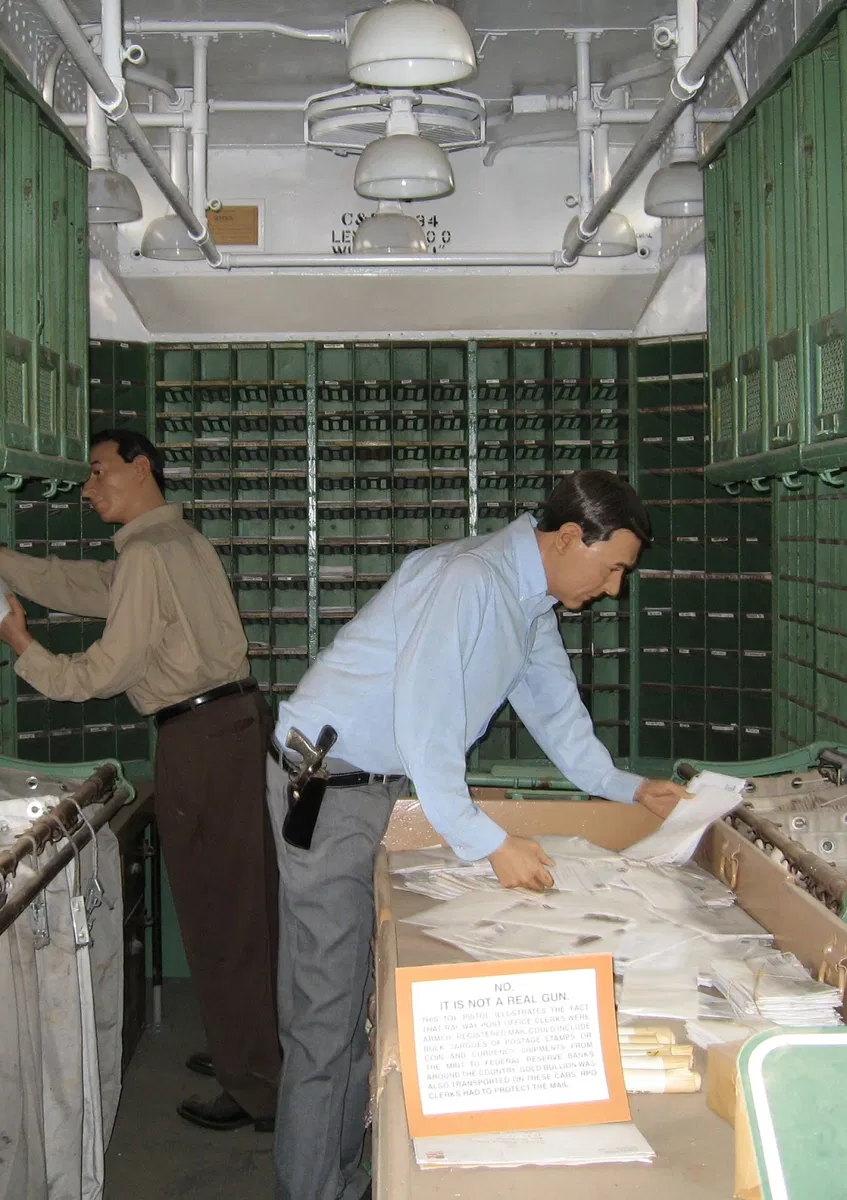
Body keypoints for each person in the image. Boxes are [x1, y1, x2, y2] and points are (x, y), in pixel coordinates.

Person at [265, 469, 691, 1200]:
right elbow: (424, 724)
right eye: (613, 568)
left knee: (358, 1004)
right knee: (323, 1015)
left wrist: (627, 787)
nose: (615, 589)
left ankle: (344, 1177)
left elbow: (556, 714)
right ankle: (309, 1189)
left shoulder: (528, 601)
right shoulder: (471, 582)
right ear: (569, 538)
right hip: (326, 788)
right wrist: (487, 842)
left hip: (372, 786)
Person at [0, 428, 281, 1134]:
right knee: (243, 905)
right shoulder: (178, 542)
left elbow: (103, 673)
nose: (88, 487)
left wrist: (23, 647)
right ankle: (252, 1050)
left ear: (141, 468)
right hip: (232, 729)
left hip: (200, 740)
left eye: (98, 470)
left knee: (217, 912)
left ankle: (259, 1086)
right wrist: (4, 561)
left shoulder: (147, 554)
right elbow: (94, 588)